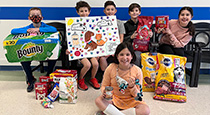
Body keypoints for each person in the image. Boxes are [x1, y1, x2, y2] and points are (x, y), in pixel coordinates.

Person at [95, 42, 150, 115]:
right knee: (98, 100)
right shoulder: (111, 67)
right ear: (117, 56)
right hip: (114, 99)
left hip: (131, 100)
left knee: (145, 110)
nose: (124, 58)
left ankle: (112, 113)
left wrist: (132, 87)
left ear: (132, 56)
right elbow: (104, 85)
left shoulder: (137, 70)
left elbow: (138, 95)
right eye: (121, 54)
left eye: (127, 55)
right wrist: (104, 91)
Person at [11, 7, 58, 92]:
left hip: (44, 50)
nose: (36, 17)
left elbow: (53, 29)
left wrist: (38, 29)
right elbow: (13, 31)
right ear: (29, 18)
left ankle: (48, 76)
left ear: (42, 17)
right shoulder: (28, 27)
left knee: (53, 56)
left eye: (38, 15)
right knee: (23, 59)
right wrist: (28, 30)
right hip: (31, 50)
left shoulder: (45, 26)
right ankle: (30, 79)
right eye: (33, 15)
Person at [66, 1, 100, 91]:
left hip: (91, 50)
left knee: (95, 64)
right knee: (87, 65)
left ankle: (92, 78)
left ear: (89, 12)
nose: (84, 13)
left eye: (86, 11)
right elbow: (71, 38)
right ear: (78, 12)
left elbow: (98, 36)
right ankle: (80, 79)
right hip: (80, 51)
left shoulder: (94, 23)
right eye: (81, 11)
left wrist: (101, 50)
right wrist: (69, 48)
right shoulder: (74, 24)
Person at [124, 3, 153, 67]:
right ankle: (137, 74)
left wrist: (150, 34)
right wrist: (131, 37)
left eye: (136, 11)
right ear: (129, 13)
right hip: (133, 48)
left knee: (150, 58)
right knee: (137, 57)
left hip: (145, 47)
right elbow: (123, 39)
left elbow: (150, 36)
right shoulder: (126, 25)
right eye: (132, 11)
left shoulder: (145, 24)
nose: (134, 13)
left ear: (139, 12)